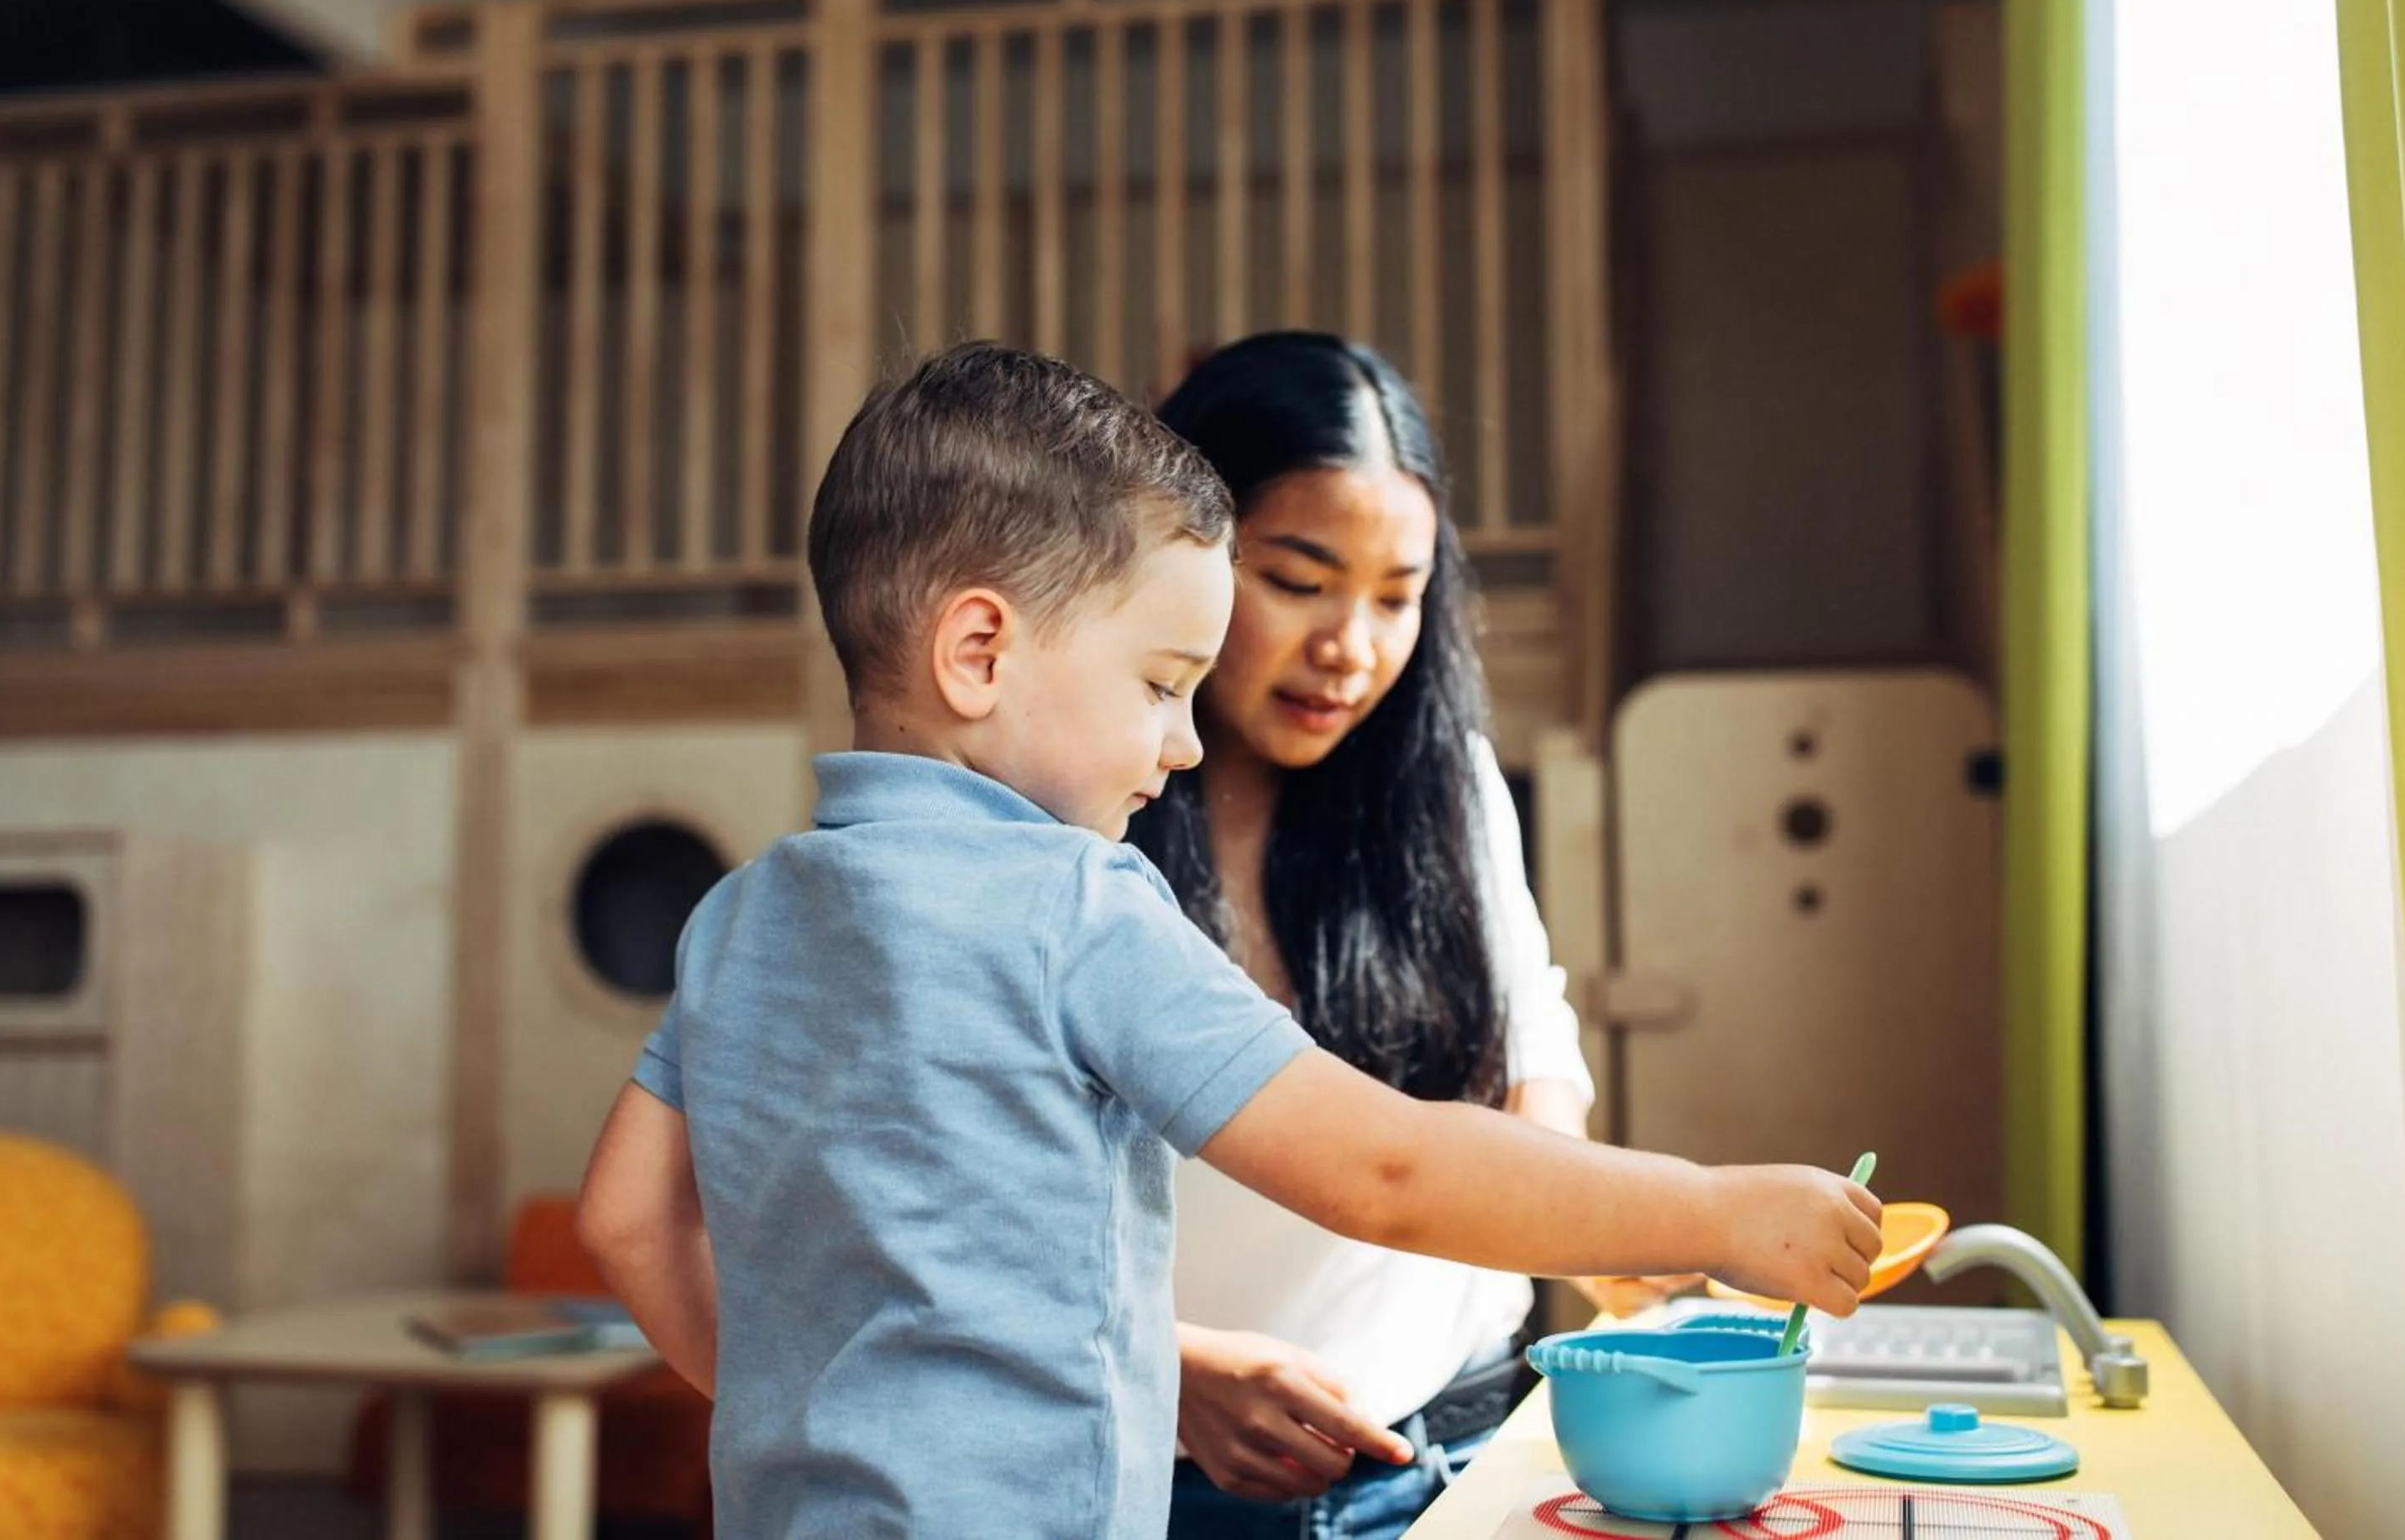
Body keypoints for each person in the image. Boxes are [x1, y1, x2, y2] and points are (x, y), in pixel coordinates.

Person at [574, 343, 1883, 1540]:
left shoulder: (741, 913)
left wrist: (816, 1403)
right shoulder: (1077, 905)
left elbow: (627, 1219)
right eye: (1158, 685)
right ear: (978, 651)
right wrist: (1718, 1208)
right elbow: (1384, 1169)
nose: (1183, 740)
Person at [1131, 333, 1670, 1538]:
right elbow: (958, 1217)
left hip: (1464, 1455)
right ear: (1180, 558)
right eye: (1299, 579)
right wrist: (1165, 1363)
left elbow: (1535, 1070)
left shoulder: (1445, 787)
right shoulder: (1076, 820)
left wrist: (1597, 1230)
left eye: (1396, 594)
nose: (1353, 649)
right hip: (1167, 1489)